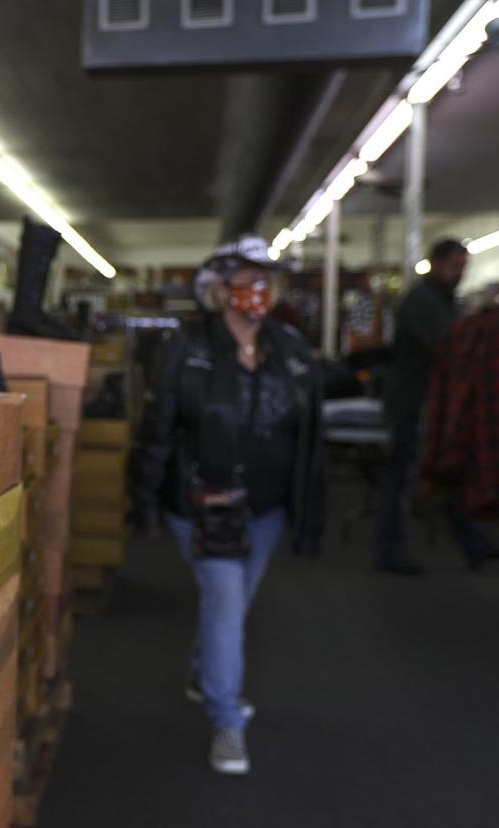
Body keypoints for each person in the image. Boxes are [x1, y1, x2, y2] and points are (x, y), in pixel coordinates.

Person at [134, 235, 325, 776]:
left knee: (233, 607)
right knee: (224, 604)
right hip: (203, 508)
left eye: (265, 281)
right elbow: (158, 429)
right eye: (244, 281)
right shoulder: (187, 347)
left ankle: (203, 672)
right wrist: (144, 500)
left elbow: (310, 434)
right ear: (219, 290)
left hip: (265, 510)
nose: (257, 292)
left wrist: (309, 512)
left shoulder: (289, 347)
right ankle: (226, 722)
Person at [375, 239, 496, 574]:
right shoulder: (423, 301)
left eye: (464, 268)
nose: (461, 274)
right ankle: (389, 552)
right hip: (411, 403)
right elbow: (449, 344)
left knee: (448, 471)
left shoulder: (441, 299)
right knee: (401, 481)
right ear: (438, 264)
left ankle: (474, 543)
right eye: (457, 267)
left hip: (429, 403)